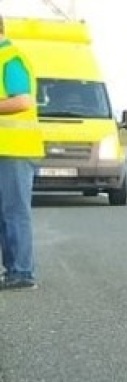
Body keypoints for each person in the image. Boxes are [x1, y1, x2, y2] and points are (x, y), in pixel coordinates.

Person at [0, 14, 44, 291]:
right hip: (6, 149)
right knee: (6, 212)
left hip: (15, 149)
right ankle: (13, 270)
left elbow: (22, 100)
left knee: (14, 211)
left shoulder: (11, 57)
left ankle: (22, 272)